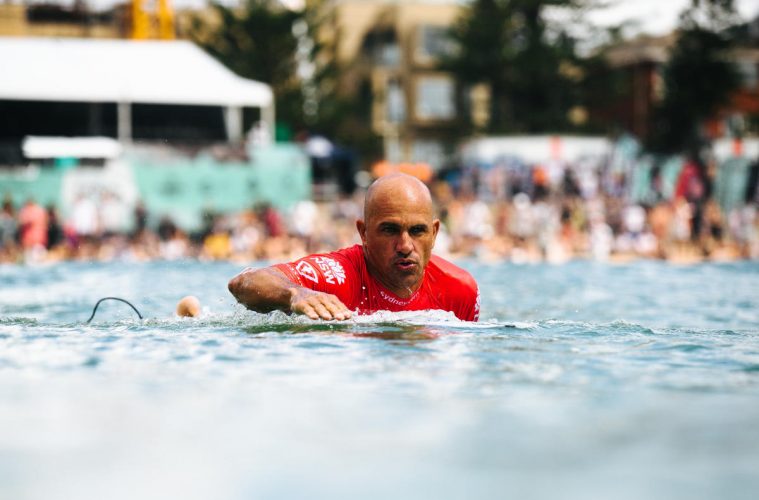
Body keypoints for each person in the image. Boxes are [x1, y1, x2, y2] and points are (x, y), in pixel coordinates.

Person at [226, 173, 480, 321]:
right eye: (390, 230)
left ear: (434, 233)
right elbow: (244, 283)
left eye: (417, 231)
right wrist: (295, 293)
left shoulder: (459, 290)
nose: (404, 245)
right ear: (364, 233)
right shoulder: (341, 275)